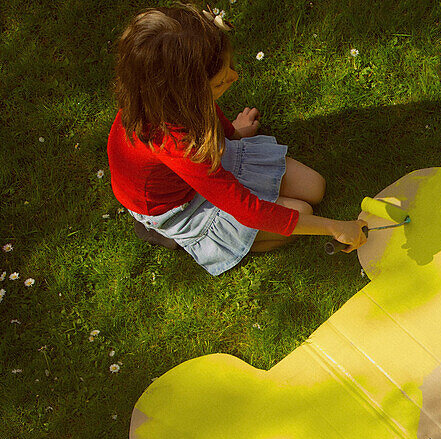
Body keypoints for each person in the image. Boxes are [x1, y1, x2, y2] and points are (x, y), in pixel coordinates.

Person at [107, 5, 366, 275]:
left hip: (199, 166)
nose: (235, 77)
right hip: (178, 205)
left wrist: (232, 132)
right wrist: (335, 227)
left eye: (230, 67)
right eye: (220, 82)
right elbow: (247, 210)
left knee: (315, 186)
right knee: (304, 213)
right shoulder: (174, 144)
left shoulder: (168, 99)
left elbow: (205, 107)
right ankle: (169, 233)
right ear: (186, 95)